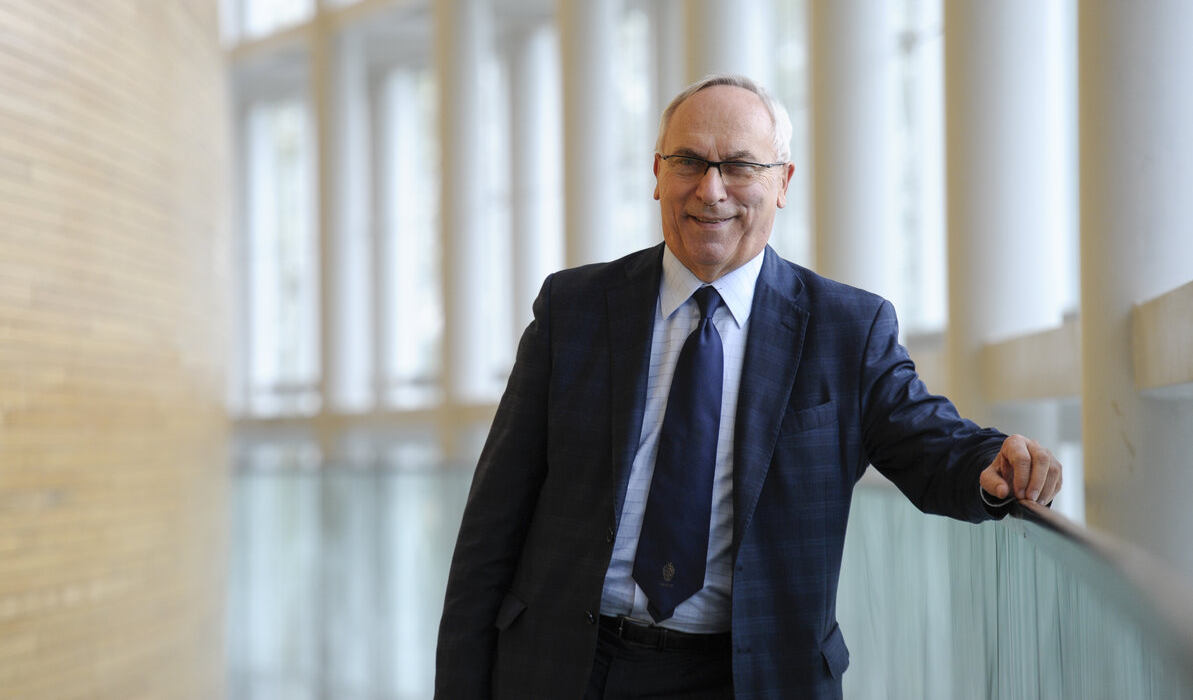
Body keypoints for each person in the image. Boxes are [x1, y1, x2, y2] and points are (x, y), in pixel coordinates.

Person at [435, 74, 1062, 700]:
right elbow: (493, 523)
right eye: (689, 161)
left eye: (739, 165)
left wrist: (991, 462)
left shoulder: (846, 327)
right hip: (567, 666)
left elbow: (925, 438)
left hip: (749, 676)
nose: (711, 190)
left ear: (782, 181)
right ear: (657, 173)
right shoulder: (573, 309)